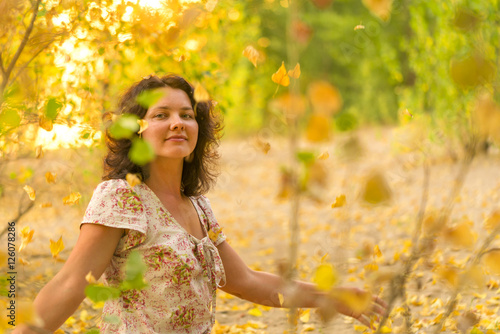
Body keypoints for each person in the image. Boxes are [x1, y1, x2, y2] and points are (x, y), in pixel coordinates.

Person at [13, 74, 386, 334]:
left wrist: (332, 298)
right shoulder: (121, 197)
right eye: (161, 115)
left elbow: (246, 281)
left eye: (186, 115)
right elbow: (69, 285)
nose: (177, 123)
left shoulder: (199, 207)